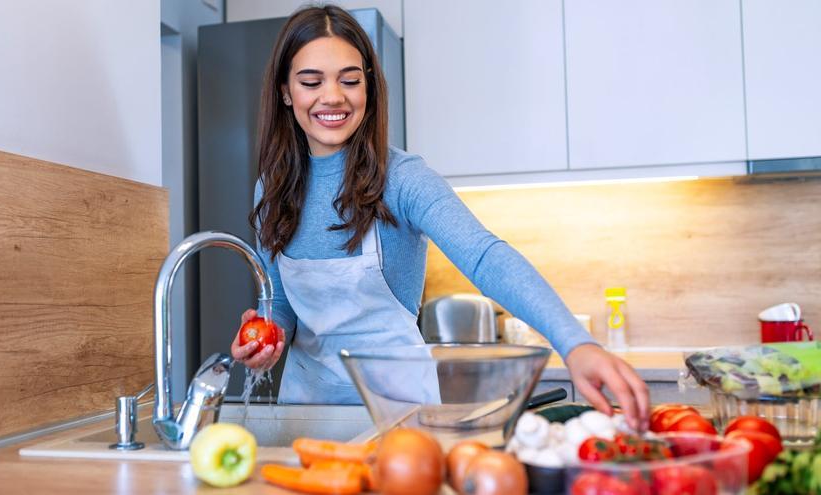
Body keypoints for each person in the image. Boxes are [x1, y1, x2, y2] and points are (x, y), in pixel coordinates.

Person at [230, 4, 650, 430]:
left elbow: (484, 256)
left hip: (399, 411)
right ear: (286, 91)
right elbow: (281, 302)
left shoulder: (404, 179)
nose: (333, 96)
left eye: (350, 80)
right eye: (311, 82)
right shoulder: (273, 186)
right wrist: (271, 336)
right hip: (306, 409)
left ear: (368, 88)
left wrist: (575, 343)